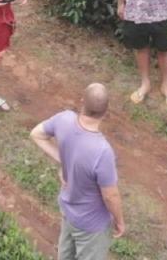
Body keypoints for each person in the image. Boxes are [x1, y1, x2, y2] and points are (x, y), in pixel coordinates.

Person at [29, 83, 126, 260]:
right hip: (91, 224)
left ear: (82, 101)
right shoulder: (102, 152)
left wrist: (65, 160)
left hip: (68, 210)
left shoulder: (63, 119)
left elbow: (36, 134)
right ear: (106, 111)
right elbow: (110, 195)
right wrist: (119, 221)